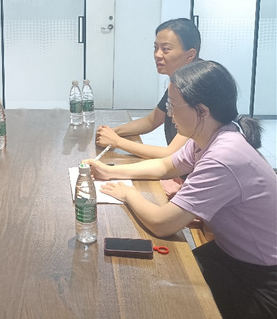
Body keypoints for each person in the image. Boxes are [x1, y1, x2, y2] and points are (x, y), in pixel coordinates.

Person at [85, 60, 277, 319]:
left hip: (261, 279)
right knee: (162, 278)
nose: (170, 113)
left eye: (173, 105)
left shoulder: (223, 156)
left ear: (202, 110)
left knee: (164, 293)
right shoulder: (212, 136)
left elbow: (163, 224)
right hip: (232, 252)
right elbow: (166, 165)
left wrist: (128, 193)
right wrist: (111, 171)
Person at [96, 18, 201, 159]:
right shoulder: (180, 79)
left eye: (166, 49)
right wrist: (113, 132)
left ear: (190, 55)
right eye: (155, 48)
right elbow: (151, 121)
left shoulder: (198, 85)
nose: (157, 55)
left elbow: (171, 154)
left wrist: (117, 142)